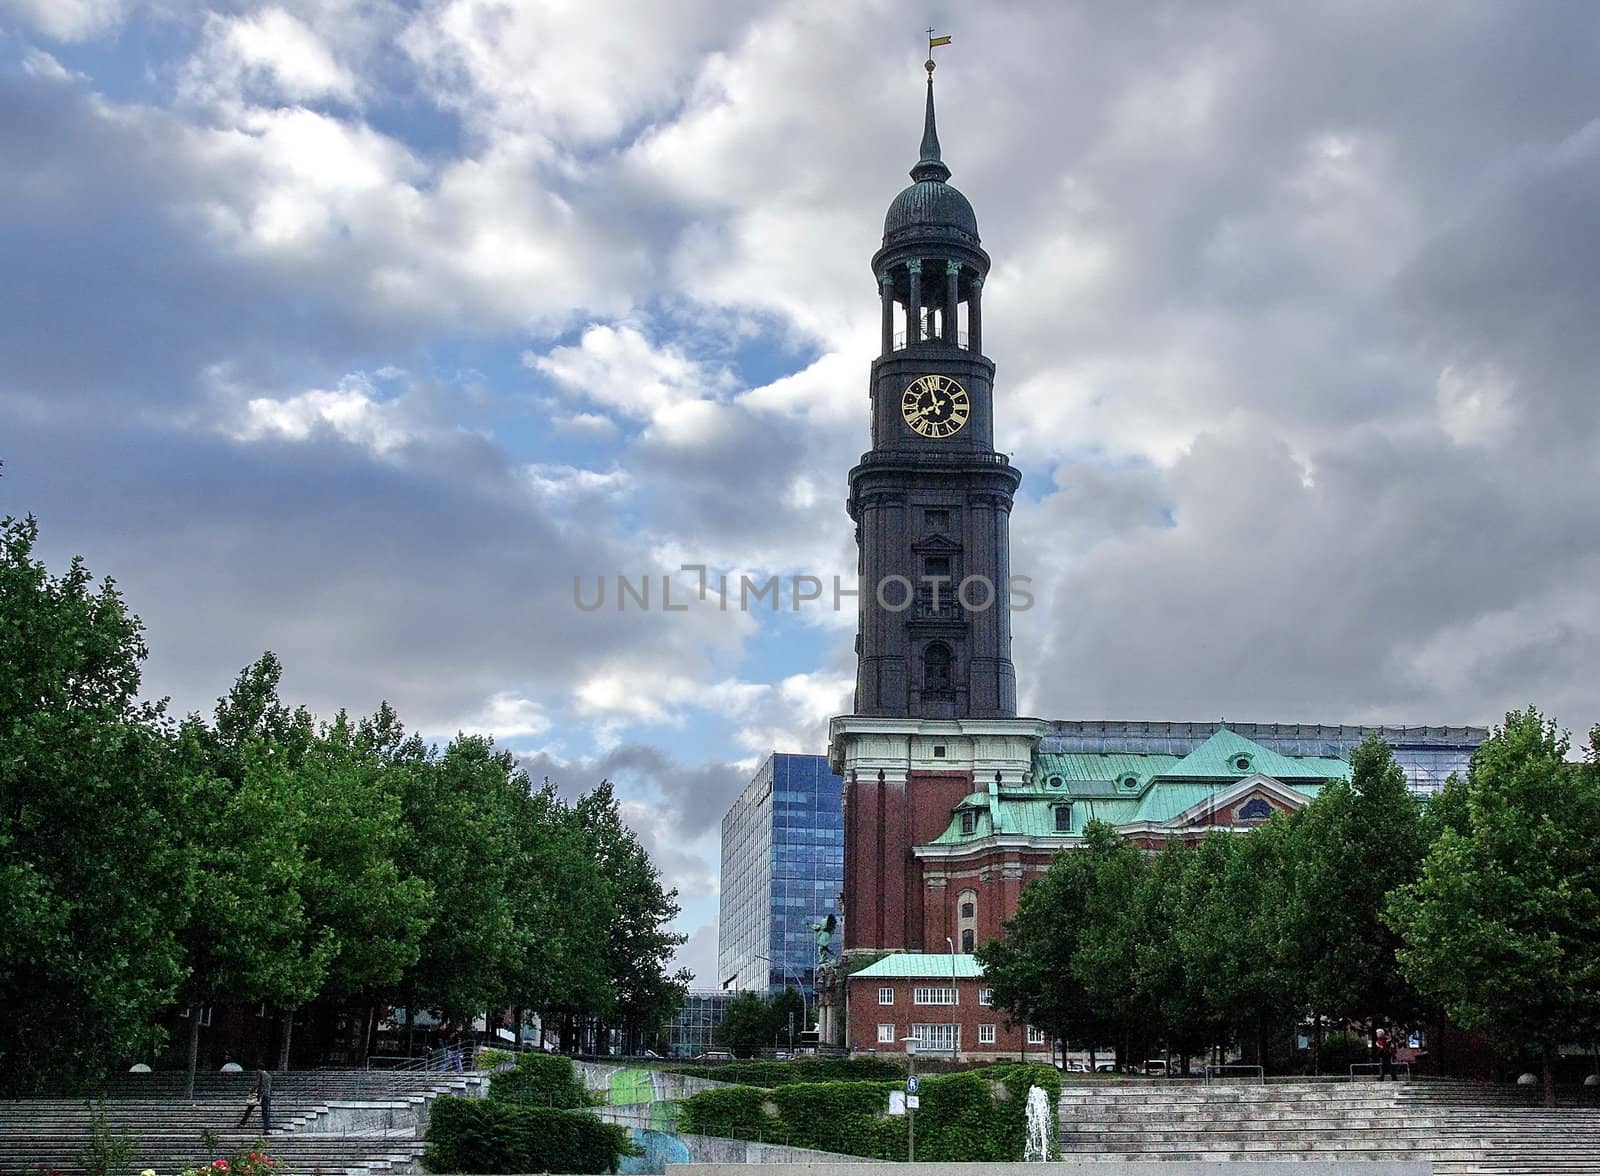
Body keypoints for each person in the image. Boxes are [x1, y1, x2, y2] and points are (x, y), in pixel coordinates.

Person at [238, 1063, 272, 1132]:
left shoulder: (260, 1074)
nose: (256, 1071)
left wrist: (251, 1091)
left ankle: (242, 1123)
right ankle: (267, 1129)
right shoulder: (269, 1076)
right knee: (265, 1112)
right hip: (266, 1095)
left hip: (258, 1095)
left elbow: (257, 1083)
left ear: (259, 1069)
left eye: (257, 1069)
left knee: (249, 1109)